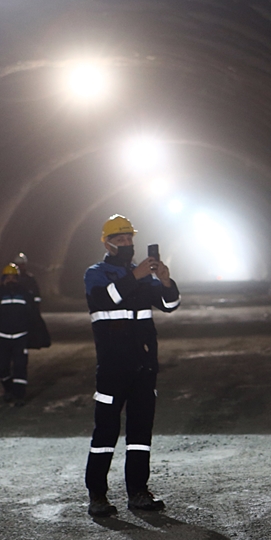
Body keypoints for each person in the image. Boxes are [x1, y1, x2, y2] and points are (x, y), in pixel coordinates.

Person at [84, 214, 181, 517]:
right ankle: (97, 495)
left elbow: (169, 305)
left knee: (140, 433)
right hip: (113, 368)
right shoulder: (96, 273)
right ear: (107, 242)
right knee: (106, 433)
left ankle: (138, 491)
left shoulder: (138, 274)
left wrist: (165, 282)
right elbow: (107, 300)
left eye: (129, 238)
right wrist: (135, 276)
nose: (126, 243)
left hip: (143, 366)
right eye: (120, 239)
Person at [0, 263, 47, 404]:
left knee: (20, 366)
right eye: (8, 277)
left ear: (18, 279)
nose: (10, 280)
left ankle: (19, 395)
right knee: (1, 366)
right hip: (1, 337)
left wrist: (36, 333)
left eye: (13, 277)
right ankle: (8, 388)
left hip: (20, 336)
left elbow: (33, 315)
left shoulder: (24, 294)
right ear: (3, 279)